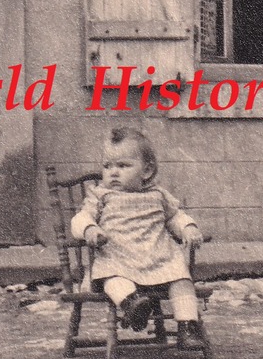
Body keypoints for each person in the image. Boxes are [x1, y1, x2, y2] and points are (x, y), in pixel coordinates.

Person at [71, 127, 206, 343]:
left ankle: (187, 327)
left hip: (158, 259)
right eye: (107, 166)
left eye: (123, 166)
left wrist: (188, 227)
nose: (113, 172)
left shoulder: (158, 195)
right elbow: (80, 219)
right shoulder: (101, 196)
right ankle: (133, 305)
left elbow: (175, 217)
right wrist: (90, 229)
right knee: (110, 277)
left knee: (182, 280)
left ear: (147, 171)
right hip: (118, 258)